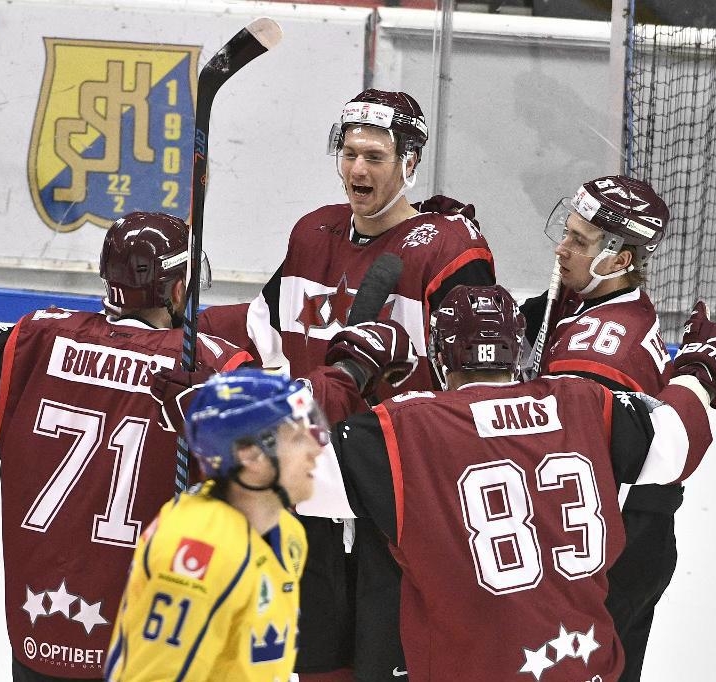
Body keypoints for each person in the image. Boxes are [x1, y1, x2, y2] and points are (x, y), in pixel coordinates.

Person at [300, 283, 716, 681]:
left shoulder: (407, 428)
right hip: (585, 667)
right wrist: (699, 373)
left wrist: (347, 373)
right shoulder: (585, 402)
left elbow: (278, 465)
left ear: (441, 358)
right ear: (518, 352)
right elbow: (677, 443)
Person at [199, 88, 496, 681]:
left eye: (376, 157)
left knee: (390, 663)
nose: (357, 169)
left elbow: (479, 378)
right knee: (315, 661)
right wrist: (179, 327)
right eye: (350, 153)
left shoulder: (448, 249)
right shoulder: (313, 232)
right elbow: (262, 327)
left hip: (397, 493)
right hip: (312, 485)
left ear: (409, 163)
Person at [0, 213, 252, 682]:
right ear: (178, 290)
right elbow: (290, 473)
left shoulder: (34, 338)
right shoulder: (211, 368)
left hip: (40, 636)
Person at [519, 175, 680, 681]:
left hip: (618, 550)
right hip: (617, 532)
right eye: (566, 232)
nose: (562, 249)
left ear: (620, 260)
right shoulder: (592, 299)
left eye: (580, 242)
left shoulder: (602, 348)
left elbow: (552, 449)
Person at [104, 368, 324, 681]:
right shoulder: (198, 551)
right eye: (299, 438)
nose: (316, 451)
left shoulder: (288, 534)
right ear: (250, 455)